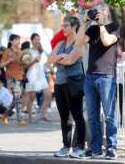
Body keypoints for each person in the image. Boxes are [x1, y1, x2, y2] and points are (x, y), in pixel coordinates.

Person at [76, 2, 122, 160]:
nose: (96, 13)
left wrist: (102, 23)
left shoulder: (115, 27)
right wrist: (84, 22)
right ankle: (95, 149)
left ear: (106, 12)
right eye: (94, 11)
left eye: (99, 11)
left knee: (109, 115)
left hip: (107, 76)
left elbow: (107, 41)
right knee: (92, 116)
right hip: (90, 76)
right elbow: (79, 41)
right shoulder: (92, 28)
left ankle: (111, 148)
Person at [47, 16, 86, 158]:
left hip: (73, 82)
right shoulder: (60, 44)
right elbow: (49, 60)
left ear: (74, 26)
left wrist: (60, 57)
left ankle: (80, 147)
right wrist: (62, 55)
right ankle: (66, 146)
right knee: (64, 117)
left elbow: (70, 61)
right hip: (59, 83)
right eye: (62, 25)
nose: (63, 28)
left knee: (77, 116)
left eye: (66, 25)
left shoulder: (79, 43)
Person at [24, 33, 55, 123]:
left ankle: (43, 116)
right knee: (31, 98)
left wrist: (54, 72)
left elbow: (47, 63)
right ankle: (30, 118)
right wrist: (34, 61)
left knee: (48, 96)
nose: (38, 41)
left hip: (41, 77)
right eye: (36, 39)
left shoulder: (41, 51)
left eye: (39, 39)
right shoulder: (28, 51)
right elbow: (25, 66)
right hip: (32, 77)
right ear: (32, 40)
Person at [0, 34, 28, 126]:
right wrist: (9, 61)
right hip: (11, 77)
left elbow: (23, 65)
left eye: (19, 40)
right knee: (18, 98)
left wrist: (26, 61)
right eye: (16, 40)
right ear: (11, 41)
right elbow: (1, 65)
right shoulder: (7, 52)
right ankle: (20, 119)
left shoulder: (20, 51)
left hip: (20, 77)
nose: (18, 41)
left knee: (17, 98)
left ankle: (4, 115)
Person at [117, 40, 125, 123]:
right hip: (112, 78)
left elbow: (120, 54)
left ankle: (122, 119)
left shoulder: (123, 54)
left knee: (120, 100)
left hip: (119, 80)